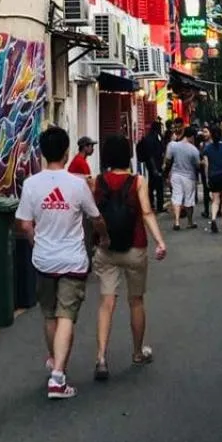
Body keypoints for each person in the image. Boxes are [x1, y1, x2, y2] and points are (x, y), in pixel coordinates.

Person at [15, 125, 102, 400]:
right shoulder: (77, 184)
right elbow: (95, 217)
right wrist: (105, 237)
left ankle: (55, 361)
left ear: (42, 153)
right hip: (72, 261)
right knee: (67, 316)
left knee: (50, 314)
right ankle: (58, 376)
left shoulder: (31, 185)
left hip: (43, 260)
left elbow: (25, 225)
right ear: (66, 153)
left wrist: (35, 243)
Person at [92, 134, 167, 378]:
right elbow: (146, 213)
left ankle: (101, 357)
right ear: (128, 155)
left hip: (106, 248)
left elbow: (93, 215)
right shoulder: (138, 181)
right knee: (136, 301)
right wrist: (160, 241)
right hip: (135, 247)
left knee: (106, 302)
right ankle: (137, 352)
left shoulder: (98, 181)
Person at [166, 125, 202, 230]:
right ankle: (190, 222)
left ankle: (177, 221)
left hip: (175, 175)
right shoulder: (194, 150)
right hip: (189, 177)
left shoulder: (173, 146)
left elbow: (168, 159)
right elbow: (198, 165)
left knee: (177, 197)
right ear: (192, 137)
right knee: (189, 200)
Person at [136, 119, 168, 217]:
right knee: (157, 186)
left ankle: (154, 205)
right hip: (154, 165)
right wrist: (154, 168)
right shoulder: (151, 139)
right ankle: (157, 205)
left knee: (153, 185)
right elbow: (150, 155)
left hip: (154, 165)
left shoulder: (155, 137)